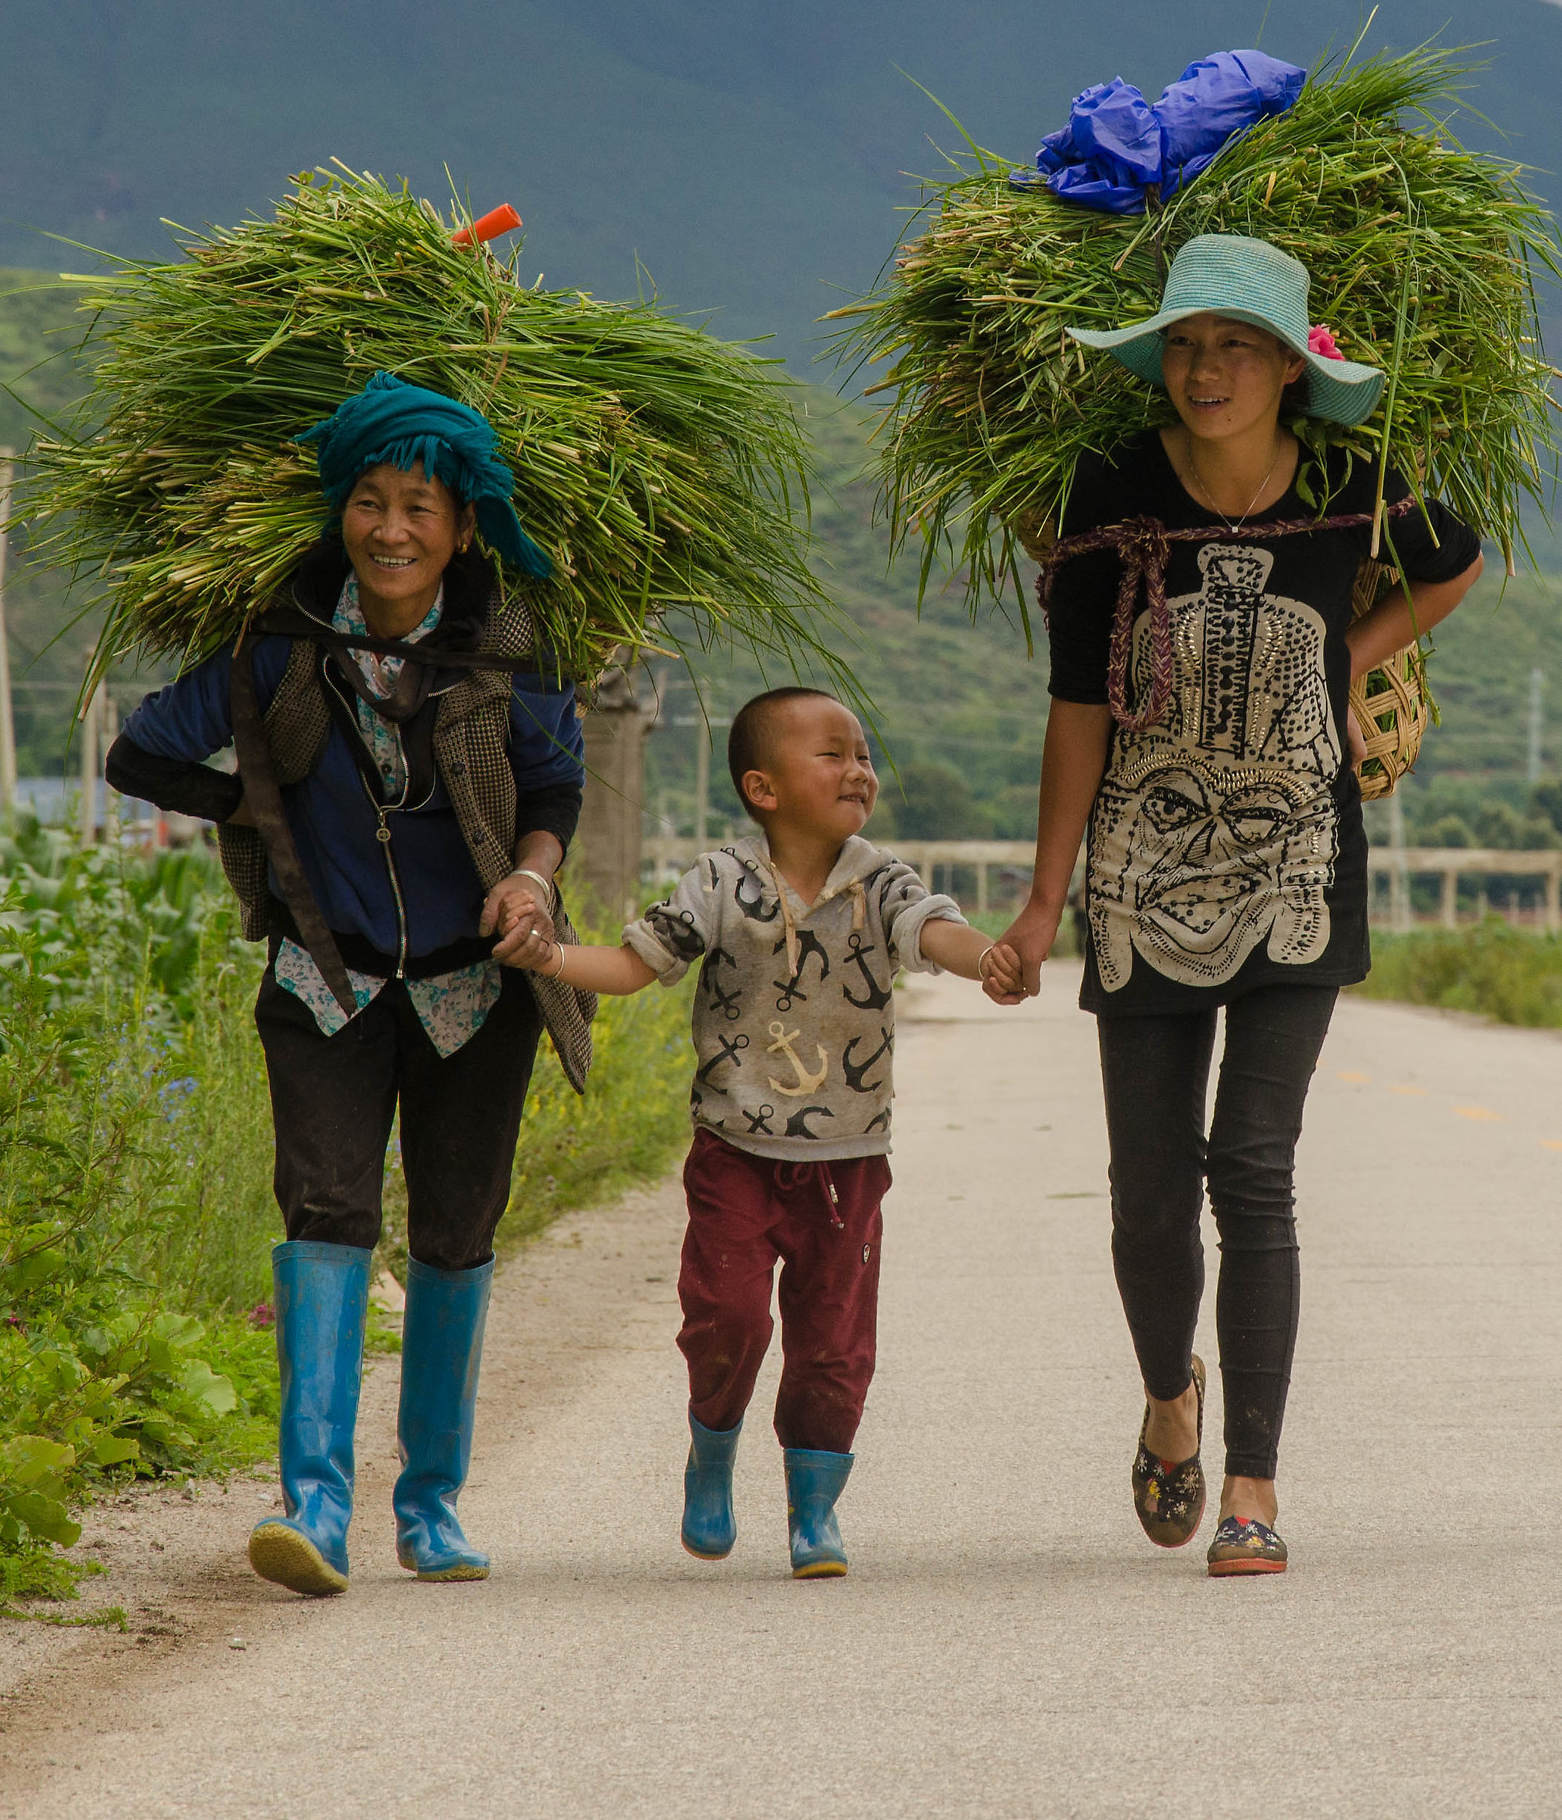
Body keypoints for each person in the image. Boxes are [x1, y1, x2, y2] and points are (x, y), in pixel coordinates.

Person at [984, 236, 1482, 1577]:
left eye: (1238, 345)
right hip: (1140, 879)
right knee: (1148, 1195)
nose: (1208, 371)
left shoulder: (1352, 485)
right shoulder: (1108, 493)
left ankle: (1255, 1484)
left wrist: (1345, 663)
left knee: (1251, 1170)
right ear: (1162, 359)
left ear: (1289, 367)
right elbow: (1078, 706)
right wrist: (1041, 905)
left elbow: (1451, 565)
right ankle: (1168, 1397)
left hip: (1299, 867)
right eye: (1190, 345)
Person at [106, 372, 595, 1597]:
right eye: (369, 502)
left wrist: (531, 883)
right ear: (342, 513)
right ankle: (314, 1512)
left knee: (454, 1234)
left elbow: (553, 795)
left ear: (463, 526)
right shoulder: (278, 646)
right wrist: (258, 813)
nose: (389, 530)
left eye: (419, 507)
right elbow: (140, 751)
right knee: (325, 1218)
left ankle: (428, 1509)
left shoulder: (510, 652)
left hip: (475, 988)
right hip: (323, 984)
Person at [497, 686, 1022, 1578]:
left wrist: (991, 962)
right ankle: (711, 1456)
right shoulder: (719, 883)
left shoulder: (881, 881)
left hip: (846, 1162)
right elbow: (632, 964)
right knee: (726, 1318)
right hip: (734, 1152)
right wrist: (549, 957)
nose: (857, 768)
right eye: (832, 753)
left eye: (862, 754)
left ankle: (812, 1513)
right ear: (762, 786)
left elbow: (937, 931)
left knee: (834, 1346)